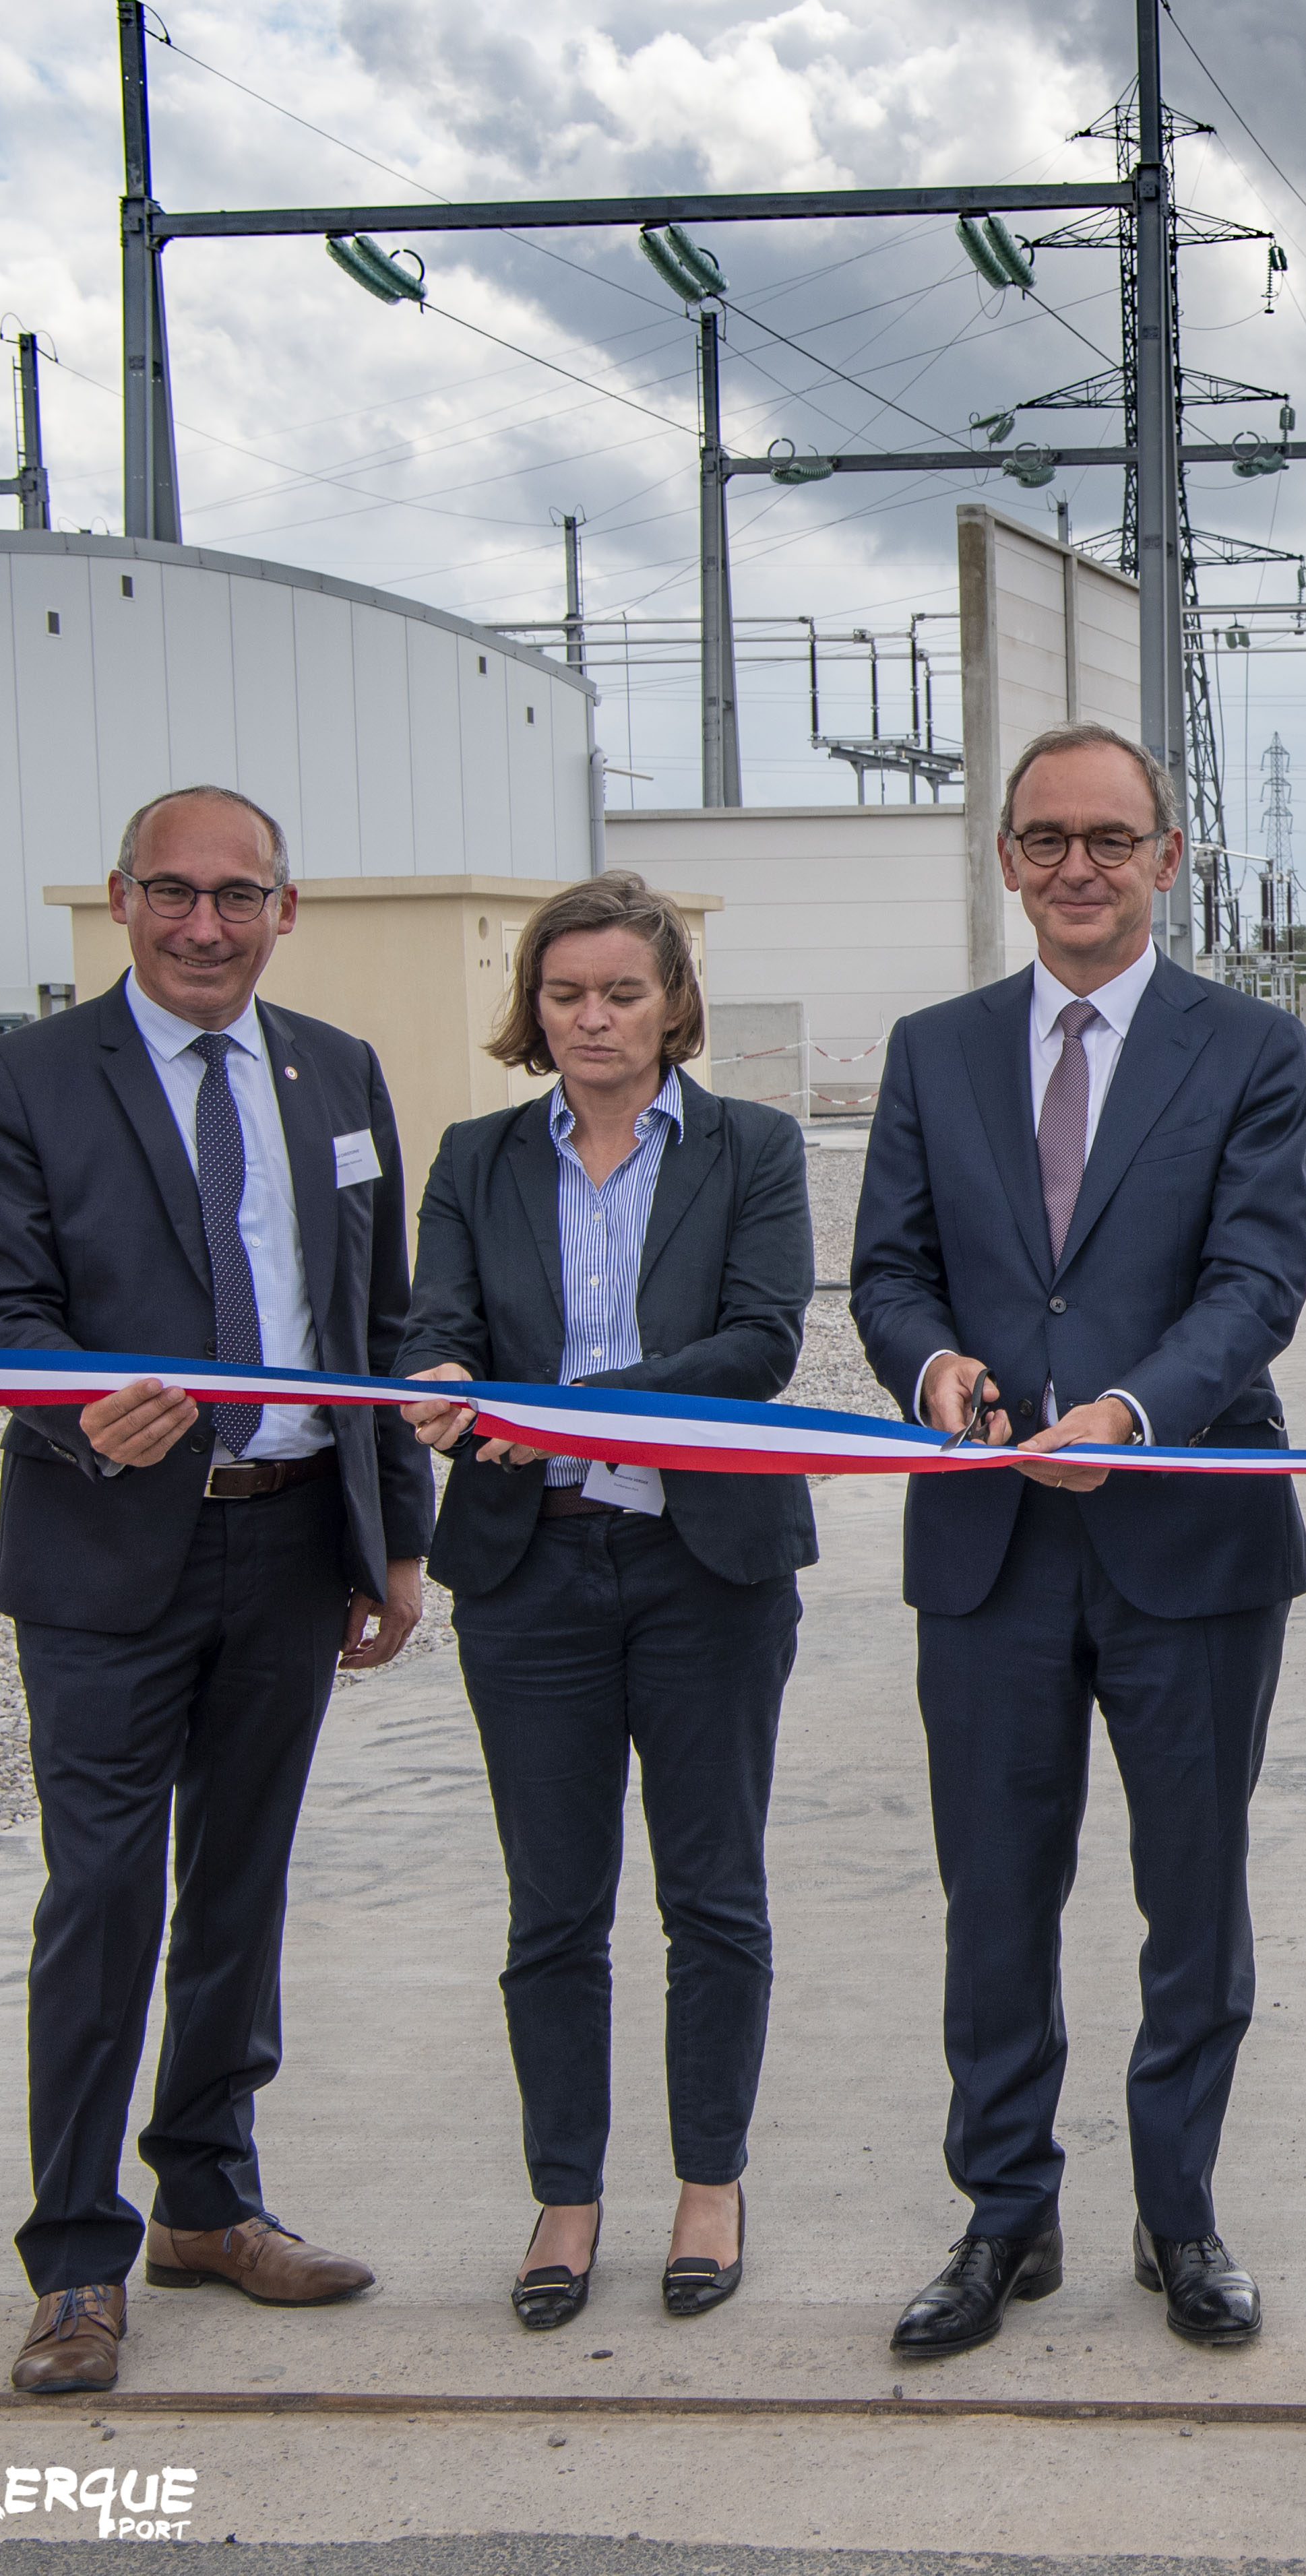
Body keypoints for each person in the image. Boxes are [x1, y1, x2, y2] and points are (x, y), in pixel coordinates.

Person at [0, 783, 430, 2397]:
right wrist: (77, 1403)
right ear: (120, 900)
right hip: (108, 1545)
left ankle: (207, 2200)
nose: (205, 924)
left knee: (238, 1887)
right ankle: (77, 2254)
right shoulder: (19, 1080)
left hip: (293, 1539)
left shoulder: (337, 1075)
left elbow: (378, 1327)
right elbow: (1, 1313)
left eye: (239, 895)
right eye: (173, 892)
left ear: (286, 908)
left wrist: (397, 1540)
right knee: (101, 1900)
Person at [851, 722, 1306, 2358]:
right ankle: (1003, 2212)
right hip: (985, 1542)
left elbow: (1257, 1284)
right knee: (997, 1896)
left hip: (1184, 1535)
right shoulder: (933, 1048)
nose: (1077, 869)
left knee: (1190, 1897)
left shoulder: (1249, 1047)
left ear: (1167, 858)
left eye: (1109, 840)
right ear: (1004, 860)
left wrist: (1124, 1414)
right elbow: (887, 1274)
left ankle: (1177, 2212)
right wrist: (934, 1370)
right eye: (1044, 839)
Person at [393, 872, 815, 2331]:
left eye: (622, 992)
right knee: (553, 1909)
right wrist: (445, 1384)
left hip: (709, 1571)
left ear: (673, 1005)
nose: (592, 1018)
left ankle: (710, 2181)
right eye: (565, 993)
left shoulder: (754, 1148)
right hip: (530, 1573)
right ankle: (565, 2193)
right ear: (533, 1007)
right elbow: (435, 1323)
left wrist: (567, 1408)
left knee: (713, 1898)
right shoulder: (474, 1156)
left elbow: (757, 1343)